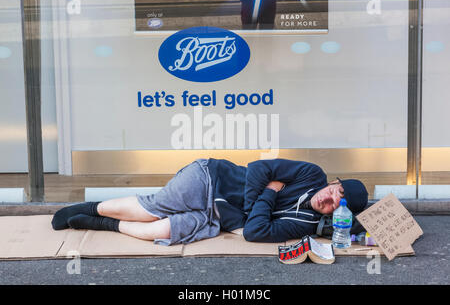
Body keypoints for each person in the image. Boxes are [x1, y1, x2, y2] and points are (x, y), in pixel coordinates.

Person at [51, 158, 368, 245]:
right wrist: (254, 210)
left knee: (163, 232)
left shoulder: (306, 225)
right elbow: (259, 168)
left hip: (218, 218)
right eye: (336, 190)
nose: (330, 198)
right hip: (211, 178)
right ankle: (84, 209)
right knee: (153, 209)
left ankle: (104, 224)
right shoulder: (311, 174)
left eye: (338, 203)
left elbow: (256, 233)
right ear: (332, 182)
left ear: (338, 213)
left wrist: (270, 192)